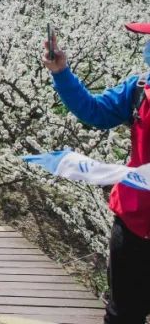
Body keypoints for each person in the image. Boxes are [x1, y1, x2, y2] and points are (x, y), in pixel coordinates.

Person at [42, 27, 150, 324]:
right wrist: (62, 72)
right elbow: (95, 111)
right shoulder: (139, 89)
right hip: (134, 222)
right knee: (123, 314)